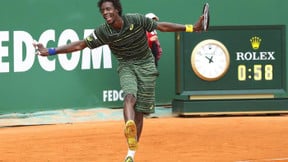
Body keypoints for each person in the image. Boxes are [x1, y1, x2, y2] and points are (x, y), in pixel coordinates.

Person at [33, 0, 204, 161]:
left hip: (146, 65)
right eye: (102, 11)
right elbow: (80, 45)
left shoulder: (136, 20)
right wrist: (50, 51)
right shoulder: (103, 32)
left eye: (108, 9)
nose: (105, 13)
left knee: (141, 111)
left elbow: (162, 26)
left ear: (117, 10)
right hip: (126, 65)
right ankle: (128, 125)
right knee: (129, 96)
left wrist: (192, 27)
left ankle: (131, 151)